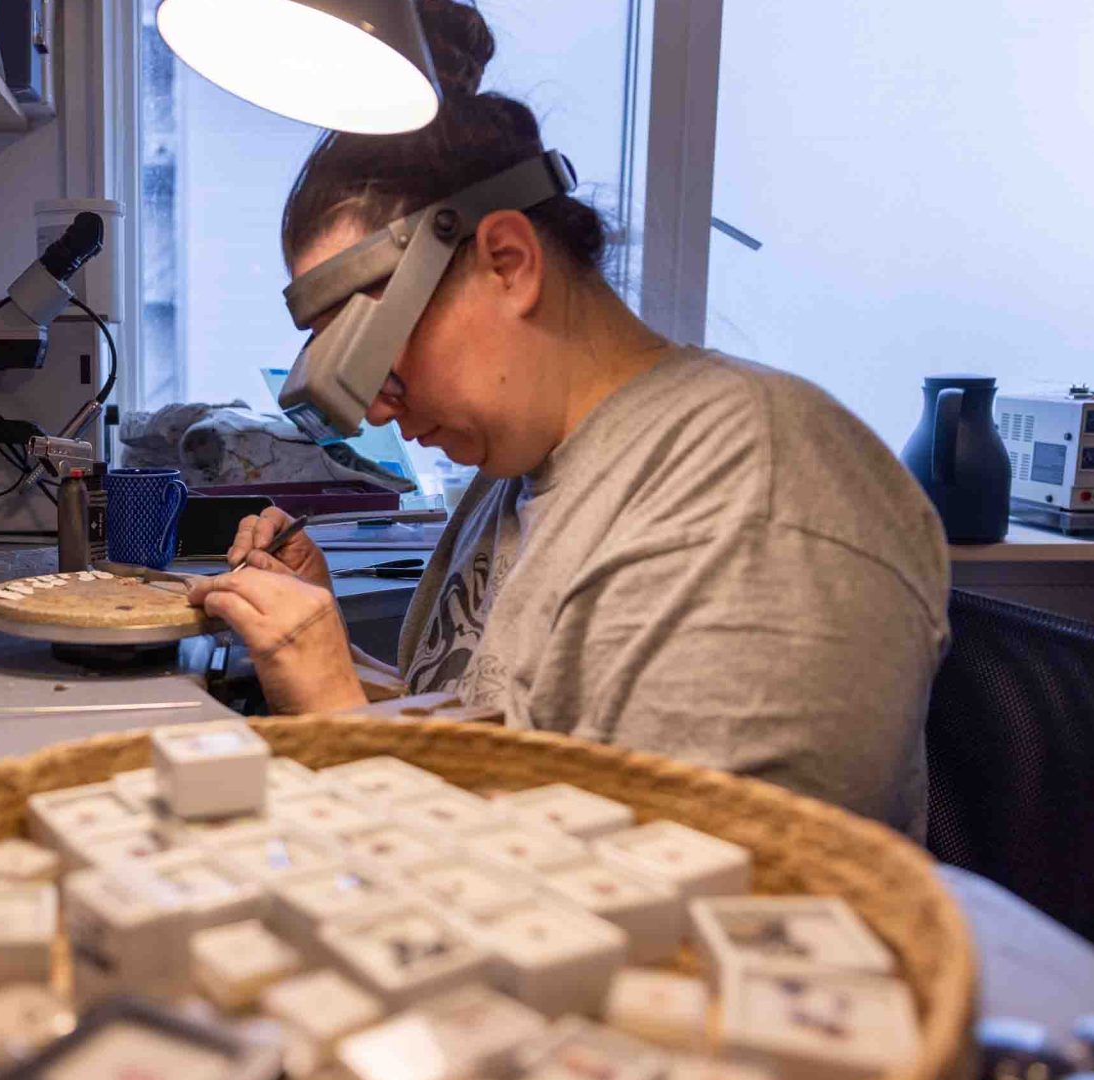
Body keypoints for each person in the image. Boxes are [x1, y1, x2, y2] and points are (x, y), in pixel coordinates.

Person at [186, 0, 949, 834]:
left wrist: (334, 714)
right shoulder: (515, 473)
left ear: (507, 263)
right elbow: (489, 744)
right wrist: (320, 648)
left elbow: (694, 897)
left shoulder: (756, 491)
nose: (369, 407)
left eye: (374, 357)